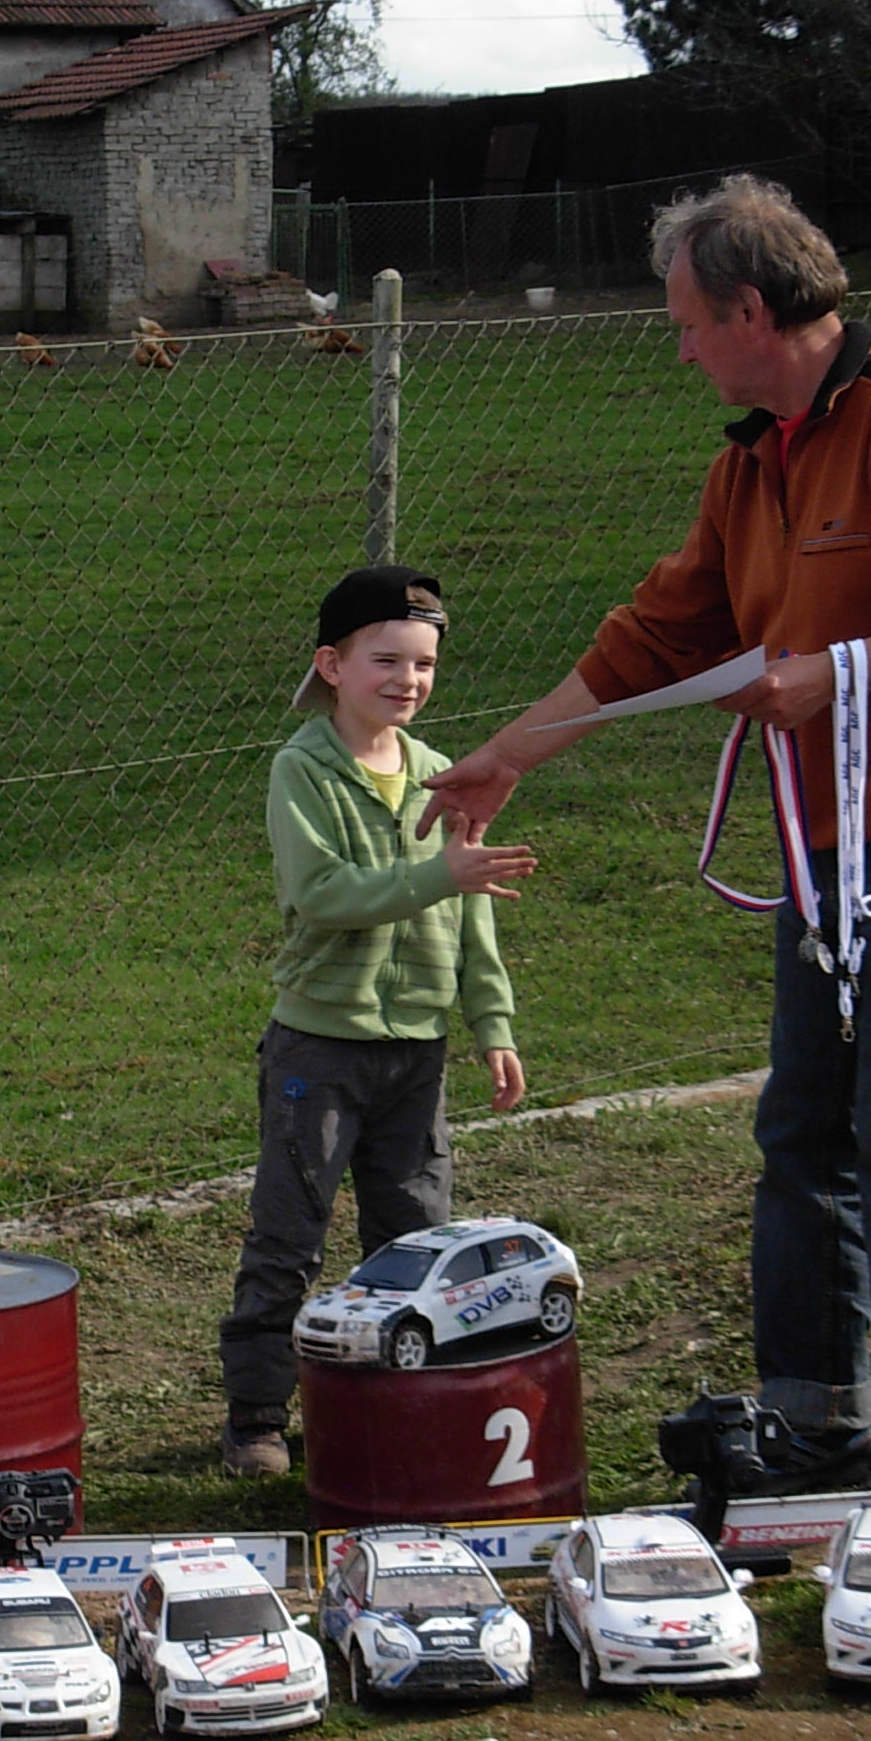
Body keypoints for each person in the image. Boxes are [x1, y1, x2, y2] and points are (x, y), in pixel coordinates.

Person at [420, 175, 871, 1500]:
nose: (678, 350)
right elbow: (664, 632)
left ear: (752, 309)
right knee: (805, 1127)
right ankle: (817, 1418)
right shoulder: (751, 462)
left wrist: (838, 674)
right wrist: (509, 754)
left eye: (686, 323)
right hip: (827, 837)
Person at [218, 565, 536, 1478]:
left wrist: (493, 1022)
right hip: (318, 1051)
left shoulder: (445, 774)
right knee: (290, 1232)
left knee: (414, 1241)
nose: (408, 679)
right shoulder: (302, 771)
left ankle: (393, 1397)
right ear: (333, 665)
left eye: (425, 664)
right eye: (386, 660)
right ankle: (257, 1417)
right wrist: (443, 875)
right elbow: (321, 896)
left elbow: (473, 920)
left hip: (418, 1055)